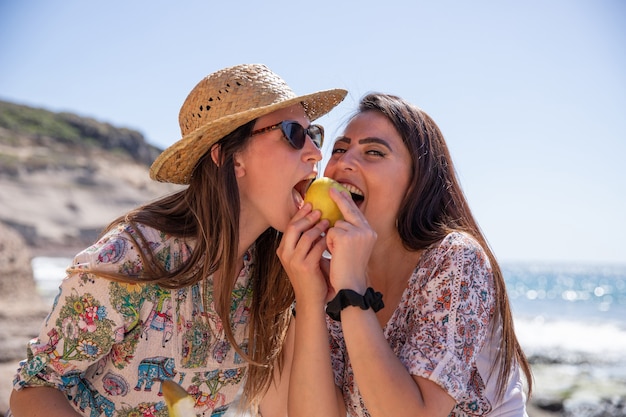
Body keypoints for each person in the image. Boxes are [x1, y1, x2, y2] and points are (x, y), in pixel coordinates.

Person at [9, 63, 347, 417]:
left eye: (316, 135)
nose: (315, 153)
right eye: (294, 134)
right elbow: (34, 388)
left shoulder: (274, 271)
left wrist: (310, 301)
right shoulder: (135, 256)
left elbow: (282, 410)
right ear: (229, 158)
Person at [277, 92, 533, 416]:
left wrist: (352, 292)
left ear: (417, 183)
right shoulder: (340, 274)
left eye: (374, 152)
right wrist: (310, 297)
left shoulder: (456, 259)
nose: (343, 162)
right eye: (340, 149)